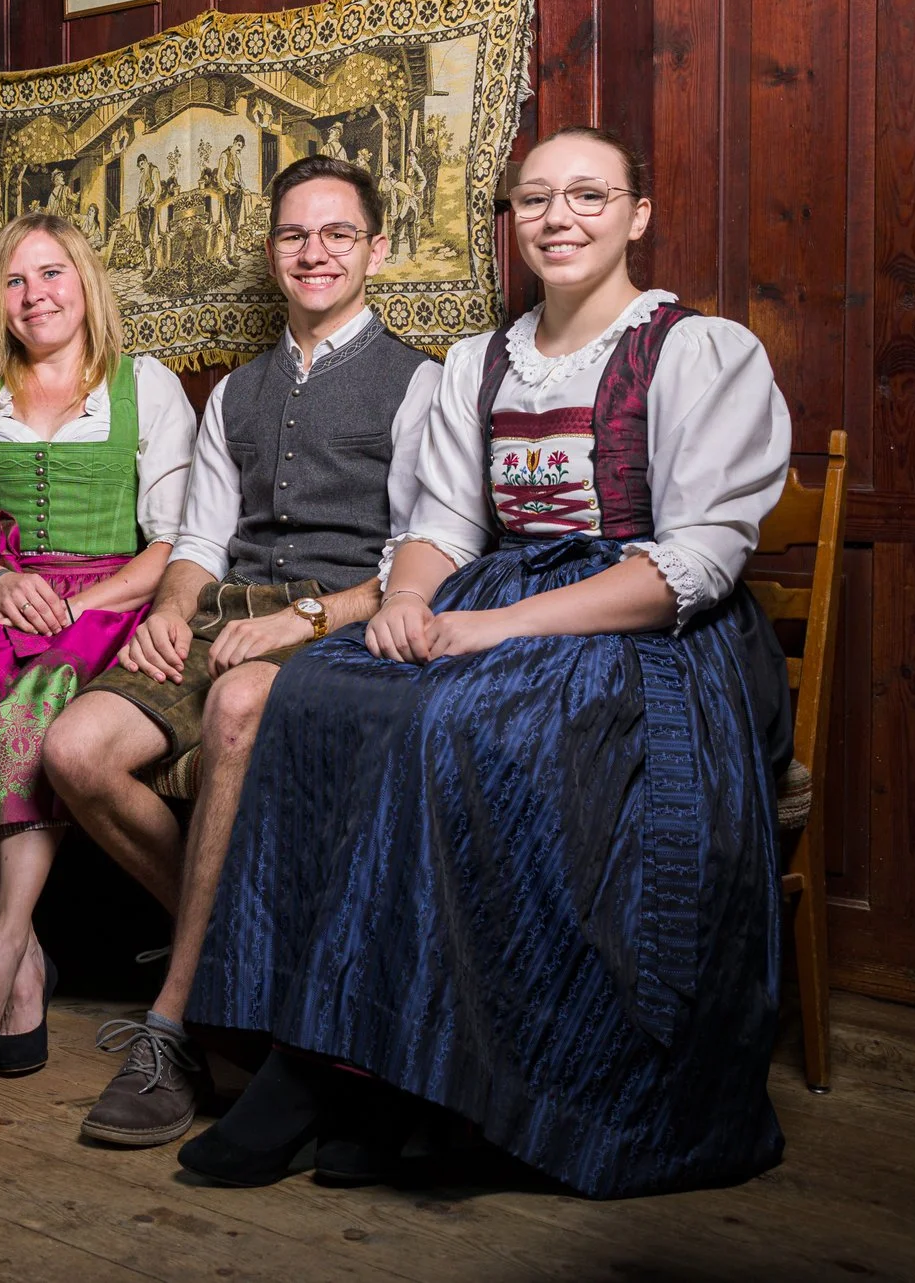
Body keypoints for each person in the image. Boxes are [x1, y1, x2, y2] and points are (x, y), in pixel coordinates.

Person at [181, 126, 794, 1199]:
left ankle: (399, 1075)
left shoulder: (700, 351)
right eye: (534, 199)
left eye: (589, 196)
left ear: (637, 215)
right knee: (318, 691)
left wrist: (485, 629)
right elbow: (446, 524)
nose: (559, 217)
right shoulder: (480, 360)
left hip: (645, 639)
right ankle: (350, 1058)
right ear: (510, 219)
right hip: (491, 599)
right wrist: (411, 599)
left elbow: (690, 562)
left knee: (450, 725)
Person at [42, 156, 439, 1150]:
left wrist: (303, 620)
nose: (314, 251)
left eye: (337, 233)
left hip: (341, 627)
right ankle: (243, 955)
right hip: (224, 609)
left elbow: (420, 562)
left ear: (375, 250)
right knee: (74, 747)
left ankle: (174, 1021)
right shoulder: (236, 393)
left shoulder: (422, 382)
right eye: (295, 235)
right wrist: (174, 608)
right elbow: (198, 542)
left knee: (236, 704)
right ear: (270, 253)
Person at [0, 213, 195, 1076]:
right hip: (5, 597)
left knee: (29, 706)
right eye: (15, 280)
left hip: (115, 599)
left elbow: (172, 545)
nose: (36, 296)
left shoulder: (147, 386)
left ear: (87, 282)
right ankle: (22, 964)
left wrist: (74, 607)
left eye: (53, 274)